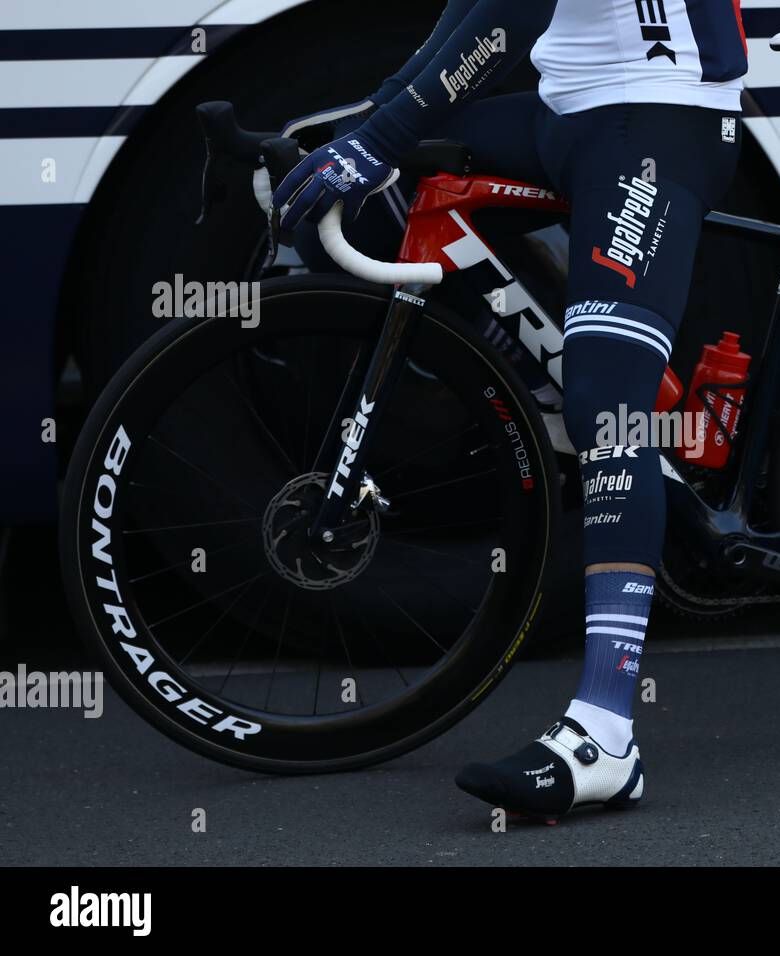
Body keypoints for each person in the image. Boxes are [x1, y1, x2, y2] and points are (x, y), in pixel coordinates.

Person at [273, 0, 748, 820]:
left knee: (607, 398)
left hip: (662, 118)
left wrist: (377, 136)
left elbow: (513, 12)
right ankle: (536, 395)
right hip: (567, 107)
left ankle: (607, 735)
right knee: (408, 180)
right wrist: (372, 121)